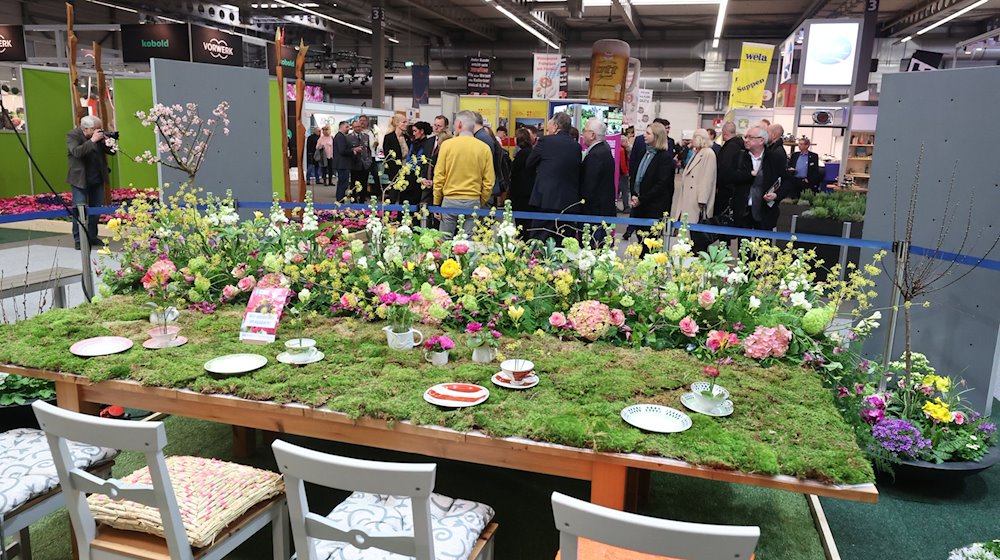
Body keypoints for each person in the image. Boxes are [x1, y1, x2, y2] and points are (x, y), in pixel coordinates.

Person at [433, 110, 494, 237]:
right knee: (469, 243)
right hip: (473, 200)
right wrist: (481, 200)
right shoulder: (484, 148)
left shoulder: (446, 145)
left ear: (460, 124)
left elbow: (439, 176)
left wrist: (436, 202)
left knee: (444, 240)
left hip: (449, 200)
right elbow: (489, 181)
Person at [526, 112, 582, 242]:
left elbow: (529, 163)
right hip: (569, 201)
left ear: (556, 126)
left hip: (546, 198)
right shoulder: (576, 147)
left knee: (539, 239)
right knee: (564, 241)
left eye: (549, 125)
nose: (547, 128)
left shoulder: (545, 141)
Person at [66, 115, 114, 250]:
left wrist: (108, 141)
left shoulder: (97, 136)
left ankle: (92, 236)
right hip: (80, 179)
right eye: (96, 129)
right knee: (79, 209)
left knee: (95, 210)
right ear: (86, 129)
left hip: (97, 178)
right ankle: (78, 239)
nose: (99, 131)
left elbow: (112, 152)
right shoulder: (73, 135)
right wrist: (92, 140)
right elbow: (76, 152)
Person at [629, 122, 674, 243]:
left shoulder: (664, 157)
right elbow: (635, 175)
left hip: (653, 207)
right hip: (639, 205)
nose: (644, 135)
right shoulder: (644, 153)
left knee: (650, 243)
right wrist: (634, 194)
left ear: (657, 136)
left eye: (648, 133)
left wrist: (642, 199)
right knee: (640, 240)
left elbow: (661, 184)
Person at [673, 129, 718, 246]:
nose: (692, 140)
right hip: (689, 197)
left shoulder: (708, 154)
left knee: (693, 232)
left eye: (694, 137)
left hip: (697, 200)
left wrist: (702, 199)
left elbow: (707, 178)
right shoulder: (697, 152)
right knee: (685, 229)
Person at [744, 126, 792, 231]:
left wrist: (776, 195)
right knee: (744, 245)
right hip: (743, 211)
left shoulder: (774, 158)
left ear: (761, 140)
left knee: (764, 245)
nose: (746, 140)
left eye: (750, 137)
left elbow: (787, 180)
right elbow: (729, 176)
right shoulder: (740, 157)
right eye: (745, 137)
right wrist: (748, 174)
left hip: (765, 210)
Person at [579, 118, 616, 246]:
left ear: (592, 134)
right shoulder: (603, 149)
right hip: (602, 208)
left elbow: (590, 184)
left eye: (585, 130)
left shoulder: (596, 154)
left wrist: (581, 201)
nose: (583, 134)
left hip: (595, 210)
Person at [509, 127, 537, 235]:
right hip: (530, 193)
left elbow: (515, 173)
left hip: (520, 195)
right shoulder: (532, 152)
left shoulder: (521, 155)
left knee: (521, 225)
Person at [715, 121, 744, 218]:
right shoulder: (740, 145)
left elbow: (724, 169)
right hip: (736, 188)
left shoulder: (729, 148)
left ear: (724, 133)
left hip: (726, 190)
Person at [382, 114, 410, 201]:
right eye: (404, 122)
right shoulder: (389, 138)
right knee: (393, 194)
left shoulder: (407, 138)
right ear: (397, 123)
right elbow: (388, 156)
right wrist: (397, 171)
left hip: (406, 170)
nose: (406, 124)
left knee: (404, 195)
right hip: (394, 171)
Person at [348, 120, 374, 201]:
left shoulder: (366, 136)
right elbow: (347, 150)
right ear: (352, 127)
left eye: (359, 126)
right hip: (354, 164)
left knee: (364, 183)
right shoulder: (348, 137)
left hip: (365, 164)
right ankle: (354, 199)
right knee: (354, 184)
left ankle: (362, 199)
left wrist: (369, 161)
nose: (357, 128)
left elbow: (368, 150)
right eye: (355, 127)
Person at [358, 115, 381, 198]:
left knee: (376, 175)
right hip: (364, 157)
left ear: (367, 122)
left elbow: (374, 142)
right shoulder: (359, 133)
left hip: (372, 156)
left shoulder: (371, 131)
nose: (362, 122)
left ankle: (378, 193)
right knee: (364, 176)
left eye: (364, 120)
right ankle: (363, 194)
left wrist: (376, 144)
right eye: (361, 120)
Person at [332, 121, 353, 201]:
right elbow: (342, 150)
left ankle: (340, 200)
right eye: (346, 127)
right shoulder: (340, 137)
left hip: (342, 164)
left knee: (342, 183)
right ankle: (340, 200)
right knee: (343, 184)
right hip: (342, 164)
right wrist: (352, 150)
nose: (348, 129)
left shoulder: (340, 136)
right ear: (341, 127)